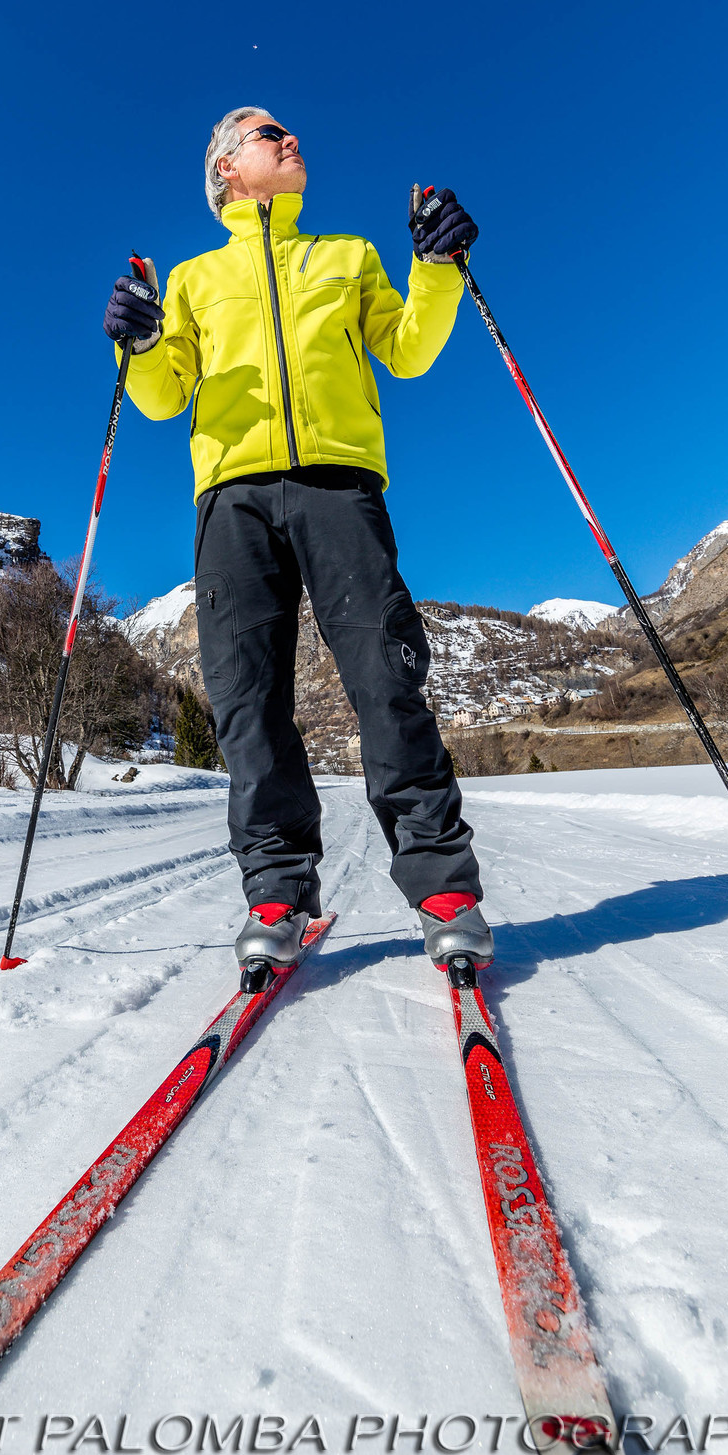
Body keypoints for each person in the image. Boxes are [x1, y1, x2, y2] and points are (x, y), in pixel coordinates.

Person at [103, 108, 493, 983]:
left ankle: (442, 889)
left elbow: (410, 350)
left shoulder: (346, 255)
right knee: (248, 699)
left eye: (289, 132)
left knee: (385, 676)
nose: (291, 139)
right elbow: (164, 397)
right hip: (232, 499)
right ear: (226, 171)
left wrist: (436, 265)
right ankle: (276, 892)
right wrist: (141, 336)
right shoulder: (198, 280)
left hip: (338, 485)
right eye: (268, 133)